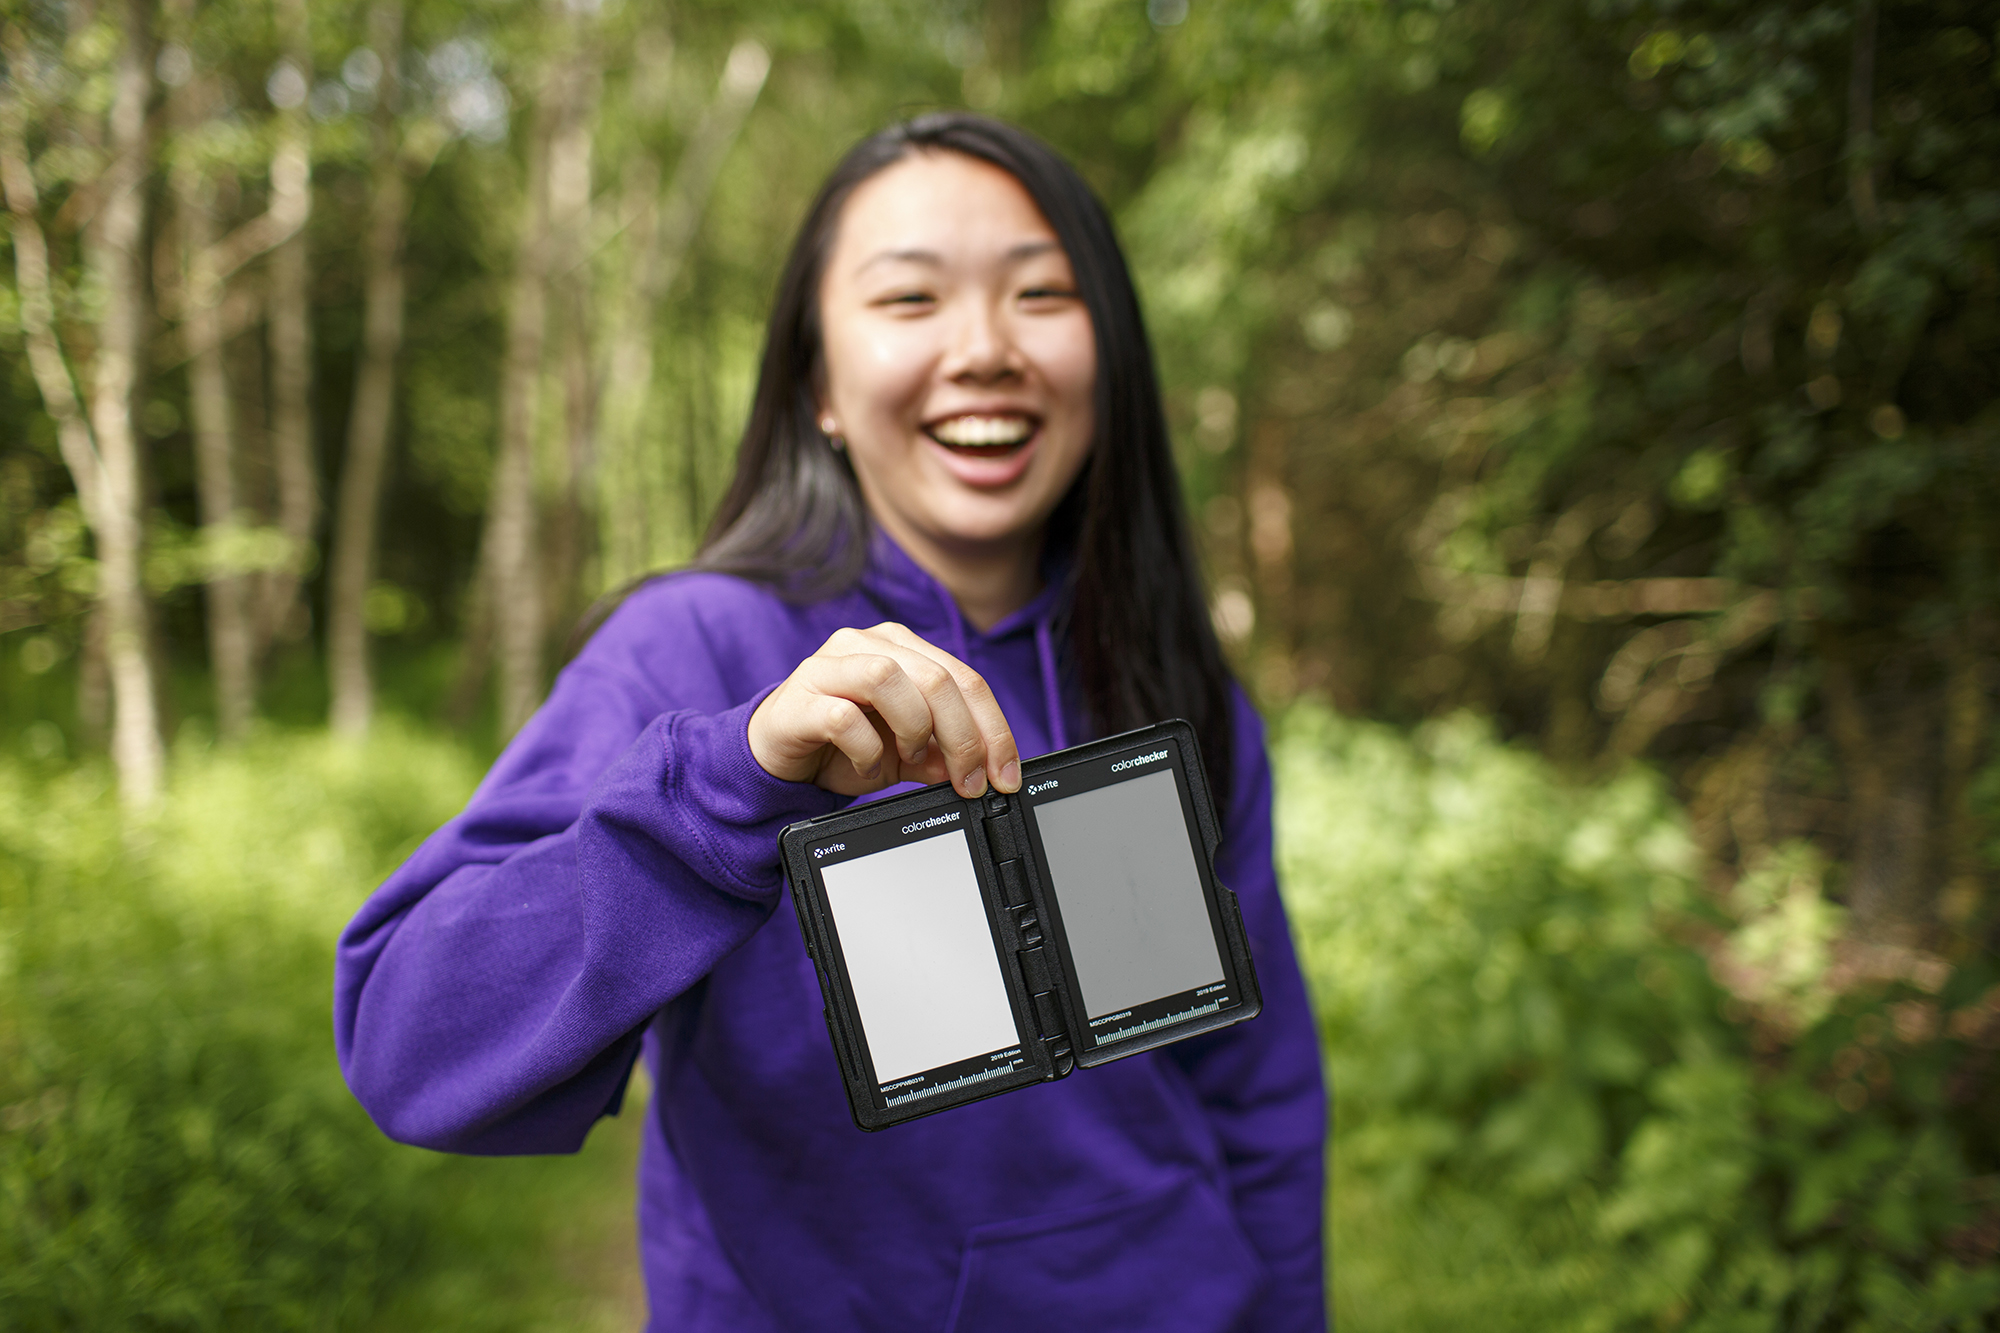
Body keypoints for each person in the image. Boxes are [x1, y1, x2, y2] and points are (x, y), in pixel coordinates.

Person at [335, 112, 1325, 1331]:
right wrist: (725, 793)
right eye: (909, 300)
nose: (982, 348)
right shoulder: (690, 650)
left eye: (1041, 294)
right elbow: (407, 1045)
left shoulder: (1176, 678)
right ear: (818, 387)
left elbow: (1258, 1098)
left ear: (1107, 356)